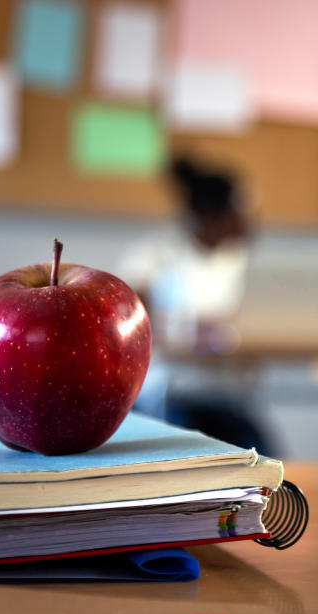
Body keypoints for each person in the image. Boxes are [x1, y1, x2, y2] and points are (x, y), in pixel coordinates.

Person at [120, 153, 273, 454]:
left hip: (226, 394)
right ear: (214, 214)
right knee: (189, 451)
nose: (253, 221)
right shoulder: (155, 256)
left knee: (265, 459)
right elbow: (131, 326)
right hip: (173, 393)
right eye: (243, 210)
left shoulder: (238, 261)